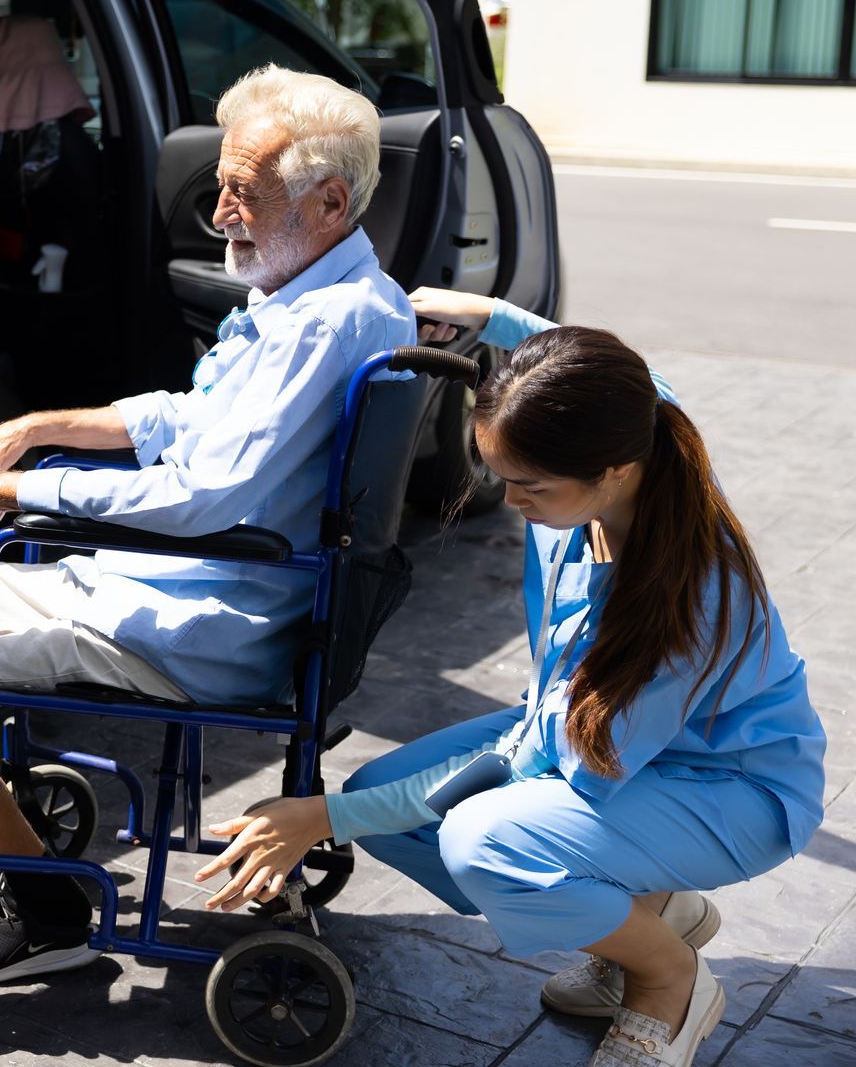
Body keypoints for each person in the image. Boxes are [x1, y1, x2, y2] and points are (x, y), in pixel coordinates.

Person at [0, 64, 416, 985]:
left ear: (330, 201)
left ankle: (43, 906)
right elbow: (191, 419)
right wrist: (41, 427)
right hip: (185, 588)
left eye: (243, 194)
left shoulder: (323, 324)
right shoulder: (310, 294)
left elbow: (207, 496)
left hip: (199, 621)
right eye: (220, 186)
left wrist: (28, 494)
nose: (221, 214)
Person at [194, 290, 826, 1067]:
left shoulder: (687, 598)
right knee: (399, 790)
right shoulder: (633, 434)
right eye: (500, 475)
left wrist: (325, 815)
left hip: (729, 790)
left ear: (613, 468)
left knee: (482, 841)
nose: (512, 501)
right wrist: (488, 315)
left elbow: (540, 759)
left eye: (531, 486)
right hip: (604, 740)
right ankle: (647, 913)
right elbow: (612, 369)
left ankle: (668, 975)